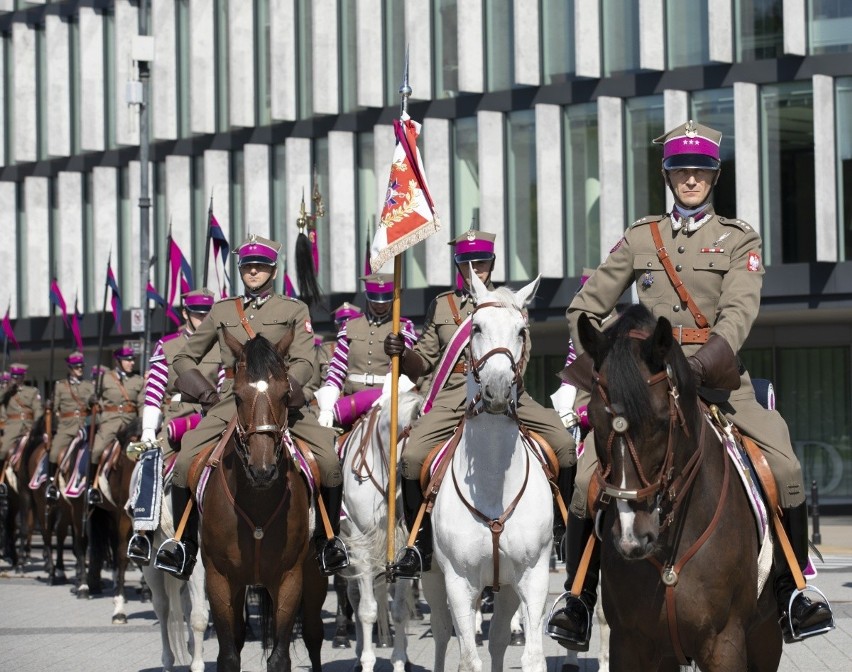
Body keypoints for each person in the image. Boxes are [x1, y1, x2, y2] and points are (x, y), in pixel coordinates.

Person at [546, 120, 834, 649]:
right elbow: (584, 307)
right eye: (682, 171)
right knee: (590, 474)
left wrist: (698, 366)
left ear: (714, 176)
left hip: (716, 379)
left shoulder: (738, 238)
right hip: (649, 381)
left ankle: (795, 591)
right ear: (668, 175)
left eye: (700, 171)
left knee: (785, 466)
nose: (691, 180)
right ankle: (579, 597)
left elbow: (738, 313)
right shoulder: (640, 238)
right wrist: (615, 366)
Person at [383, 230, 577, 580]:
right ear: (459, 266)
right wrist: (402, 353)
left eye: (482, 263)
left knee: (563, 445)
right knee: (412, 457)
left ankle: (562, 530)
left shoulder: (510, 301)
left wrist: (507, 383)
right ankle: (419, 542)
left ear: (492, 264)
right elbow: (424, 361)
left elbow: (525, 352)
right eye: (468, 263)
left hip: (506, 388)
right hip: (455, 392)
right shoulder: (444, 306)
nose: (476, 268)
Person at [155, 234, 349, 580]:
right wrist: (205, 394)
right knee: (185, 459)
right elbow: (185, 356)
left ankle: (327, 541)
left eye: (260, 266)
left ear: (273, 270)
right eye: (248, 266)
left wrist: (286, 390)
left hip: (280, 399)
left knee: (330, 461)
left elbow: (306, 359)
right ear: (241, 269)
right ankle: (184, 544)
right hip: (233, 399)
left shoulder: (293, 309)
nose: (254, 271)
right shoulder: (222, 310)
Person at [126, 289, 221, 562]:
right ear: (185, 314)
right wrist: (148, 429)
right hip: (177, 418)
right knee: (151, 461)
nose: (202, 320)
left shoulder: (222, 344)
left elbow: (226, 384)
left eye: (207, 315)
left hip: (214, 417)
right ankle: (142, 533)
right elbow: (155, 390)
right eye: (196, 314)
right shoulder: (167, 346)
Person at [315, 274, 418, 430]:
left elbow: (402, 367)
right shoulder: (350, 325)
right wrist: (327, 408)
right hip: (350, 404)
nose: (380, 305)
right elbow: (337, 368)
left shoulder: (403, 326)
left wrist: (389, 396)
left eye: (384, 300)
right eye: (375, 299)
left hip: (386, 401)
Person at [87, 347, 144, 505]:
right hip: (110, 423)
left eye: (133, 360)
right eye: (128, 360)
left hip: (131, 425)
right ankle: (93, 488)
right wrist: (91, 401)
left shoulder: (139, 381)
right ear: (118, 361)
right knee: (97, 450)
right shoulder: (104, 378)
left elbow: (142, 404)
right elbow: (94, 401)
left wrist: (140, 425)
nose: (131, 363)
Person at [45, 352, 95, 503]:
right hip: (66, 426)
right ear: (70, 368)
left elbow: (93, 406)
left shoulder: (88, 385)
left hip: (84, 426)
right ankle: (52, 484)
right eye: (76, 367)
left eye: (81, 366)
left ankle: (91, 484)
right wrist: (50, 404)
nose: (80, 369)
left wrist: (94, 401)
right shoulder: (60, 386)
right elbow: (54, 409)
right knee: (53, 453)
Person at [0, 363, 43, 497]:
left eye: (18, 377)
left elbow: (38, 410)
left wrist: (35, 426)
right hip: (12, 427)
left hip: (29, 426)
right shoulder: (6, 392)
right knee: (2, 450)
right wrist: (7, 389)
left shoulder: (32, 391)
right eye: (13, 376)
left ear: (23, 377)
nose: (15, 379)